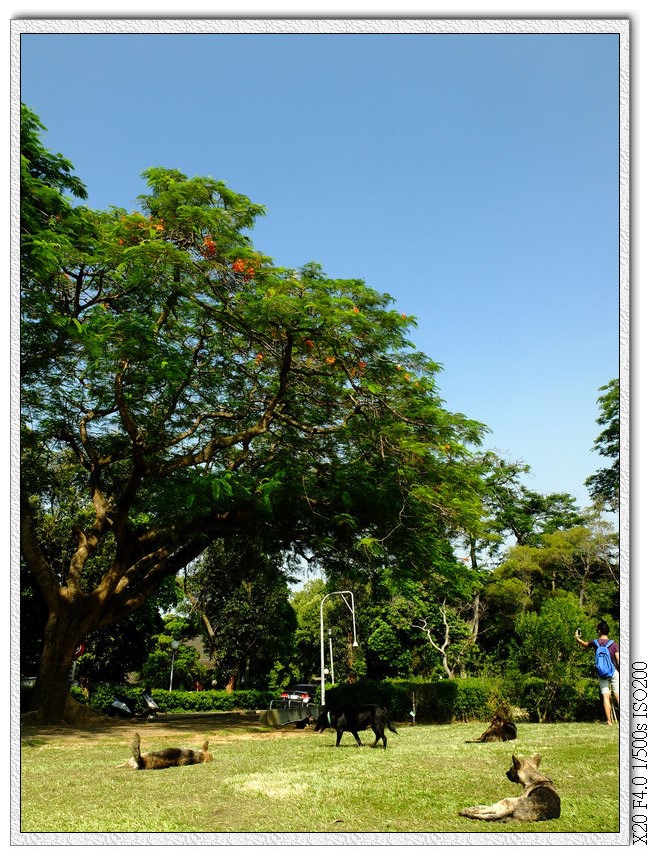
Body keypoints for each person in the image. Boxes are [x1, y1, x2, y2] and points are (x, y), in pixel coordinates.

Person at [575, 620, 620, 725]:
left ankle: (609, 721)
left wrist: (577, 638)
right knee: (618, 695)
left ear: (599, 631)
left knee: (605, 697)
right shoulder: (614, 644)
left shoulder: (595, 643)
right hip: (613, 672)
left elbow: (584, 644)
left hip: (602, 673)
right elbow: (618, 660)